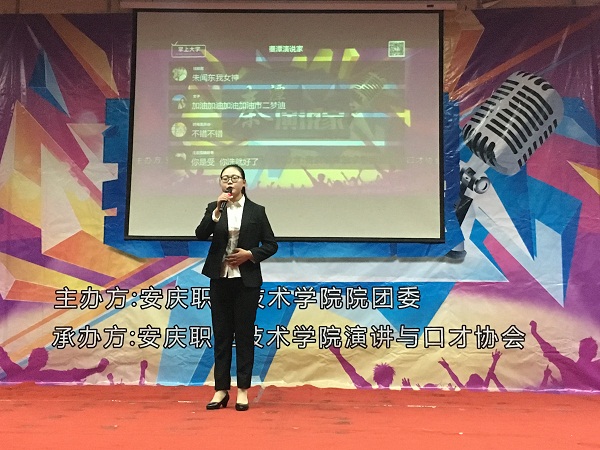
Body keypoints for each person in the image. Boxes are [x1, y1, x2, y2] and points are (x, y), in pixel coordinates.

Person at [195, 164, 278, 411]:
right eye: (225, 178)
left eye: (234, 178)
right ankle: (220, 390)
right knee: (221, 335)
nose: (229, 182)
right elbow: (200, 234)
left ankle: (242, 390)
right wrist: (216, 213)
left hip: (246, 281)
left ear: (244, 183)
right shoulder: (214, 208)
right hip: (220, 279)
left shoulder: (256, 211)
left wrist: (250, 254)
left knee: (243, 335)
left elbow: (271, 244)